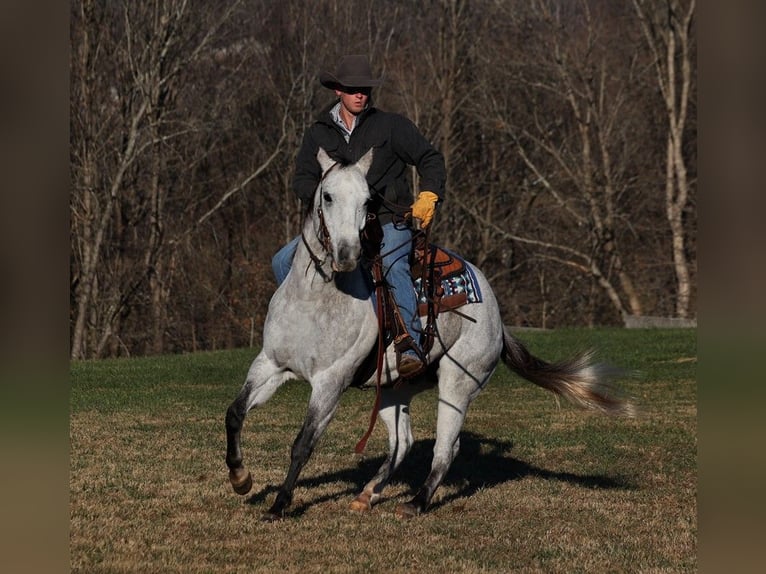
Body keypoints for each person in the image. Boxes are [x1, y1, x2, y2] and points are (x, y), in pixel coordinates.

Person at [272, 54, 446, 378]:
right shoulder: (318, 133)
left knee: (394, 265)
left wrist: (429, 194)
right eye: (352, 89)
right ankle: (306, 333)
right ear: (338, 90)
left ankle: (410, 344)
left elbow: (430, 158)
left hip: (384, 220)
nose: (360, 94)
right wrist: (327, 200)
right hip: (336, 225)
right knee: (282, 261)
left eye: (364, 89)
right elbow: (302, 180)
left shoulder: (391, 127)